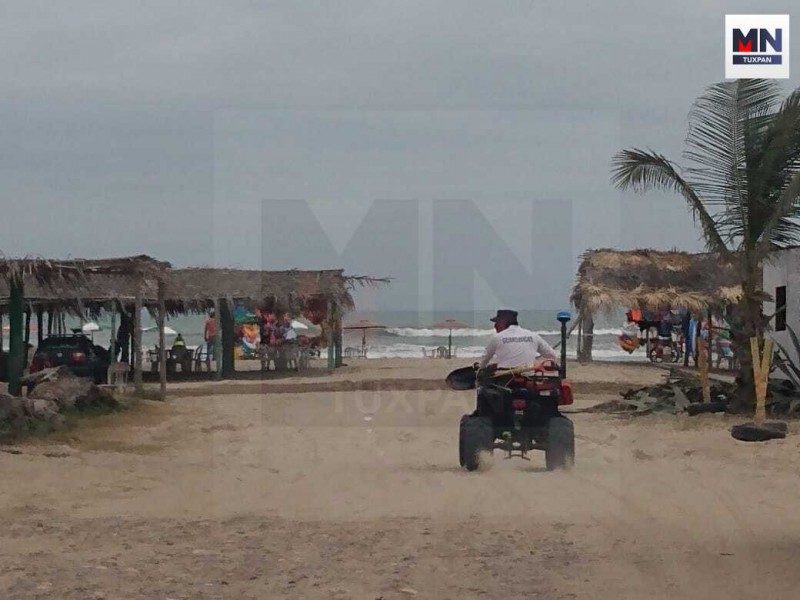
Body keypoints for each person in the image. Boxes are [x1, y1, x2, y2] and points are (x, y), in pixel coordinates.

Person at [474, 309, 559, 416]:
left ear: (503, 321)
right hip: (529, 379)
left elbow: (484, 361)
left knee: (483, 393)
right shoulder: (533, 336)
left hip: (504, 381)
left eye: (496, 322)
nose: (495, 326)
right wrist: (553, 364)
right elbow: (553, 356)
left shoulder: (497, 338)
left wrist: (480, 370)